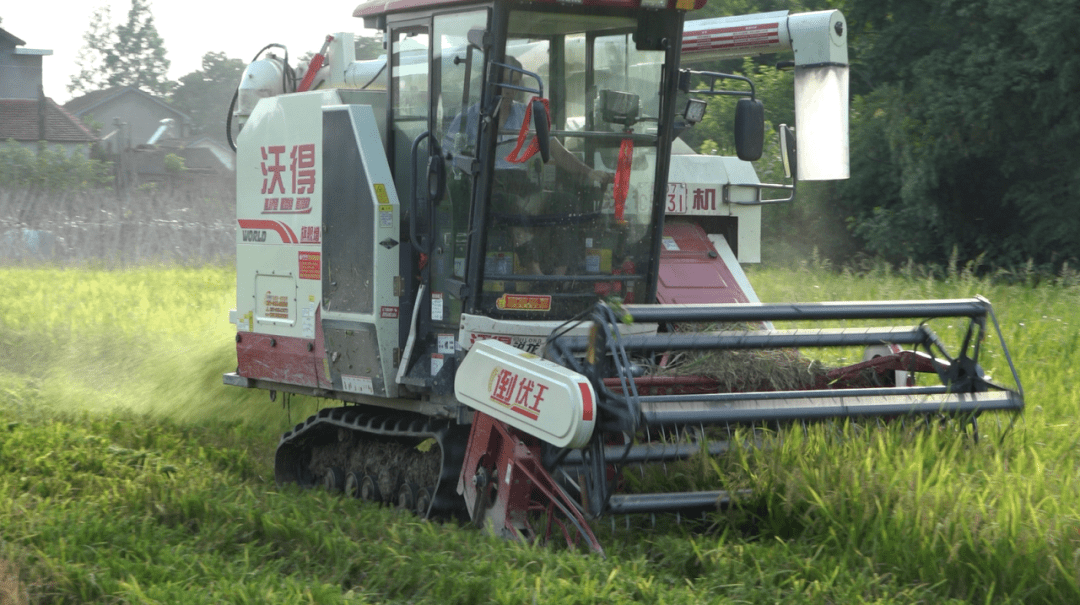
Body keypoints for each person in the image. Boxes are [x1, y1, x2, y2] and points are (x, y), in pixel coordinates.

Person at [446, 55, 611, 275]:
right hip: (486, 186)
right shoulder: (467, 119)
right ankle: (534, 271)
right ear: (490, 84)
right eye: (504, 83)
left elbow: (558, 151)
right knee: (507, 202)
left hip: (524, 185)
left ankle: (559, 275)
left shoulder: (528, 115)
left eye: (514, 83)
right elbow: (450, 158)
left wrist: (590, 172)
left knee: (567, 202)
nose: (508, 90)